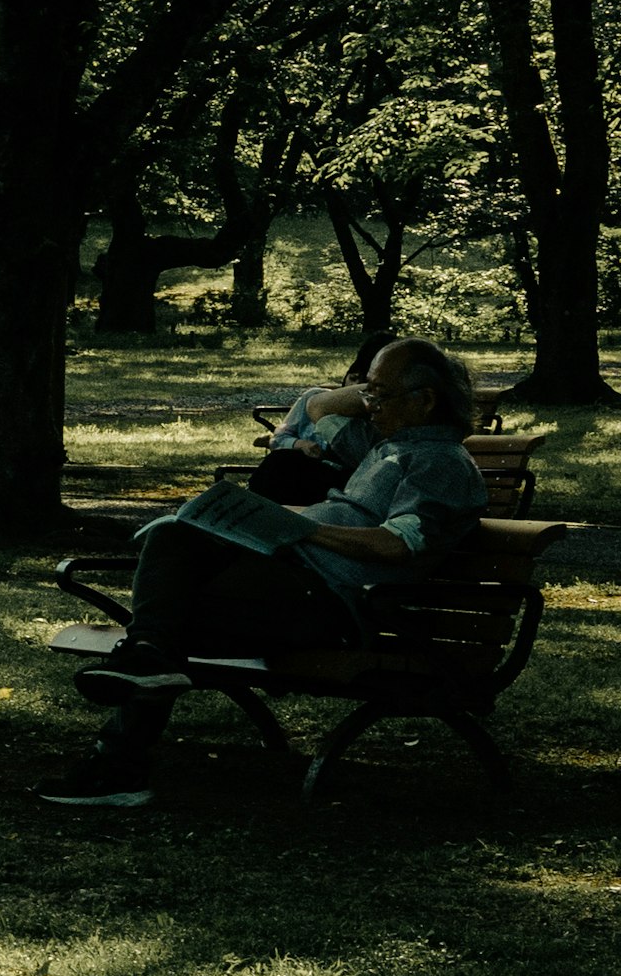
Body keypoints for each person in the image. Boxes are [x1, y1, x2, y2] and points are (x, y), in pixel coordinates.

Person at [40, 336, 487, 809]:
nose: (367, 403)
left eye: (379, 394)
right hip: (291, 589)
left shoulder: (440, 464)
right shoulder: (387, 442)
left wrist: (299, 531)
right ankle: (142, 678)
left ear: (423, 400)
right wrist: (376, 388)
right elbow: (318, 409)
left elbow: (400, 543)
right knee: (175, 537)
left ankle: (119, 759)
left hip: (330, 608)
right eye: (368, 392)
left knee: (170, 613)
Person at [244, 332, 392, 500]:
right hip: (293, 475)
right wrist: (301, 444)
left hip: (337, 486)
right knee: (282, 461)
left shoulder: (377, 417)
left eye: (363, 381)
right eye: (352, 377)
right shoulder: (314, 398)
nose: (354, 386)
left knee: (283, 464)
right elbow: (279, 438)